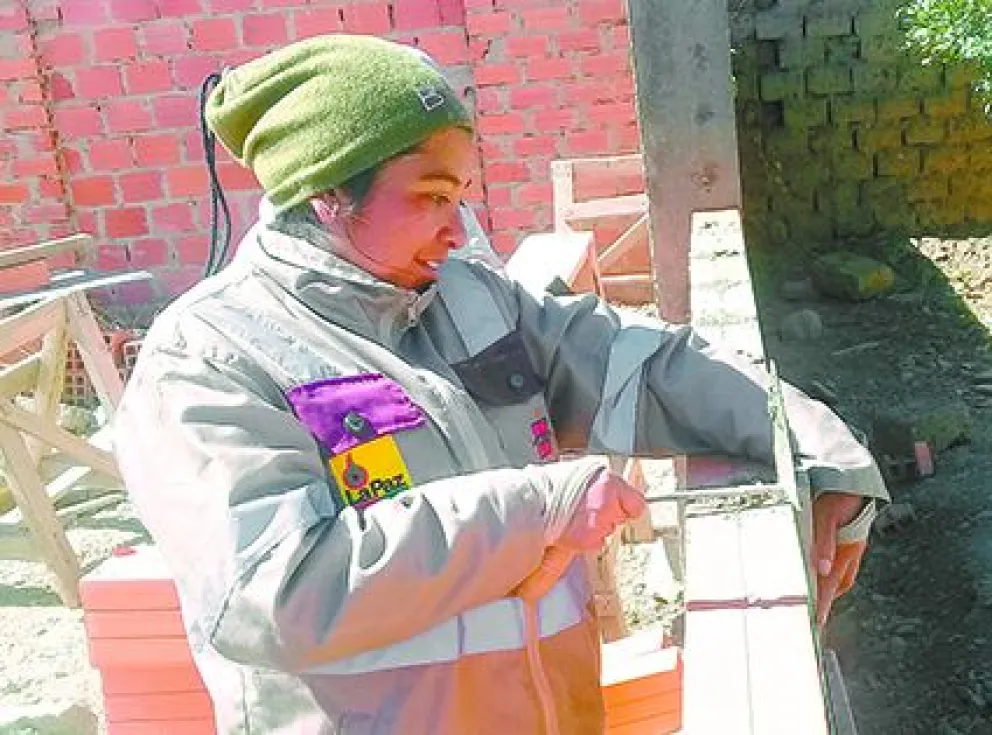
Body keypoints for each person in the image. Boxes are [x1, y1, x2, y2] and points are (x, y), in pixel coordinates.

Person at [113, 34, 889, 735]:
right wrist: (537, 506)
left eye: (462, 195)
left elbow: (646, 369)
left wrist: (821, 450)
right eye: (431, 196)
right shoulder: (211, 360)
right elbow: (278, 592)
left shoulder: (469, 301)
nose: (458, 229)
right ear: (325, 194)